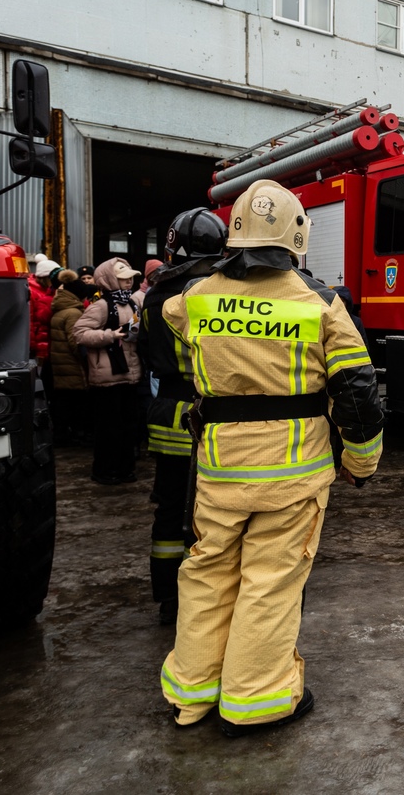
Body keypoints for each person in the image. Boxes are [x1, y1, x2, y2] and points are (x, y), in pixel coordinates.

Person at [159, 179, 384, 737]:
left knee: (208, 573)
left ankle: (192, 696)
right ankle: (254, 702)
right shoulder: (322, 305)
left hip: (217, 469)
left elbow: (167, 321)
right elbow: (358, 394)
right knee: (269, 582)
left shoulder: (196, 298)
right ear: (297, 236)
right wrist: (361, 464)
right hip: (293, 476)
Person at [136, 209, 228, 626]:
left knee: (170, 507)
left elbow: (142, 353)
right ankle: (202, 599)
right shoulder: (213, 290)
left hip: (166, 411)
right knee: (212, 508)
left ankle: (167, 599)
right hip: (207, 414)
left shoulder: (155, 293)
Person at [73, 257, 145, 484]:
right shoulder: (102, 305)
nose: (129, 282)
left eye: (131, 278)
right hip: (107, 378)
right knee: (109, 429)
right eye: (123, 278)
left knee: (128, 427)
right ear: (110, 279)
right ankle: (104, 471)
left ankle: (125, 470)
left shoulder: (132, 303)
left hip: (130, 375)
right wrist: (108, 336)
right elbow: (79, 333)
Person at [47, 277, 97, 446]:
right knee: (76, 404)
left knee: (63, 402)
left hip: (61, 365)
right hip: (73, 366)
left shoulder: (60, 309)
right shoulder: (73, 313)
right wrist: (87, 359)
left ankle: (61, 435)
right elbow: (76, 342)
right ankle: (77, 435)